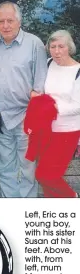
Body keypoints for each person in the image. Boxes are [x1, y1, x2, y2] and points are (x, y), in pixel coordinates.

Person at [0, 1, 48, 197]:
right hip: (0, 118)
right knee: (4, 167)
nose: (6, 25)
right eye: (1, 21)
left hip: (26, 116)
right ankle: (10, 206)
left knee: (28, 167)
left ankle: (27, 207)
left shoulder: (34, 44)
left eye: (10, 21)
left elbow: (40, 82)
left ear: (19, 22)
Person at [34, 30, 80, 198]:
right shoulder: (47, 64)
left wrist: (51, 108)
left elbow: (77, 106)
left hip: (67, 131)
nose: (57, 51)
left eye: (61, 46)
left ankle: (73, 198)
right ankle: (56, 215)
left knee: (45, 175)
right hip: (45, 130)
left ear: (69, 48)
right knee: (48, 184)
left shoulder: (77, 71)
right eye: (53, 46)